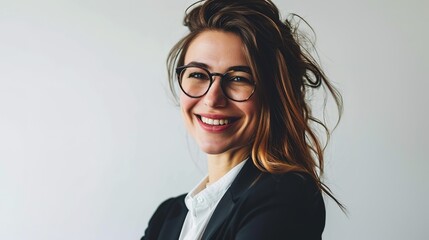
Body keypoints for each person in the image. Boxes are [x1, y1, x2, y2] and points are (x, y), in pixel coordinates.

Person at [142, 0, 343, 239]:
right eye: (197, 74)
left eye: (238, 78)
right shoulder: (167, 217)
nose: (212, 98)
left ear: (274, 95)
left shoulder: (285, 197)